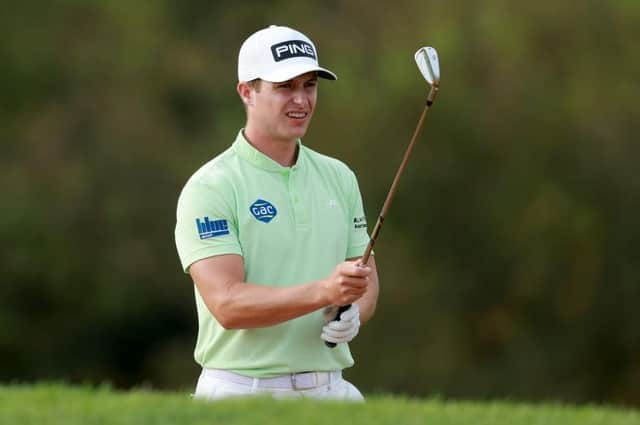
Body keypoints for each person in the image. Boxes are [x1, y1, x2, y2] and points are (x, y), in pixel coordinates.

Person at [174, 25, 379, 401]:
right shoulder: (211, 187)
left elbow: (362, 277)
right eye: (285, 87)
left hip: (331, 388)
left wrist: (353, 312)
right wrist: (323, 292)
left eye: (309, 86)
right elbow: (228, 304)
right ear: (247, 92)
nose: (301, 100)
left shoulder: (339, 177)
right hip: (240, 391)